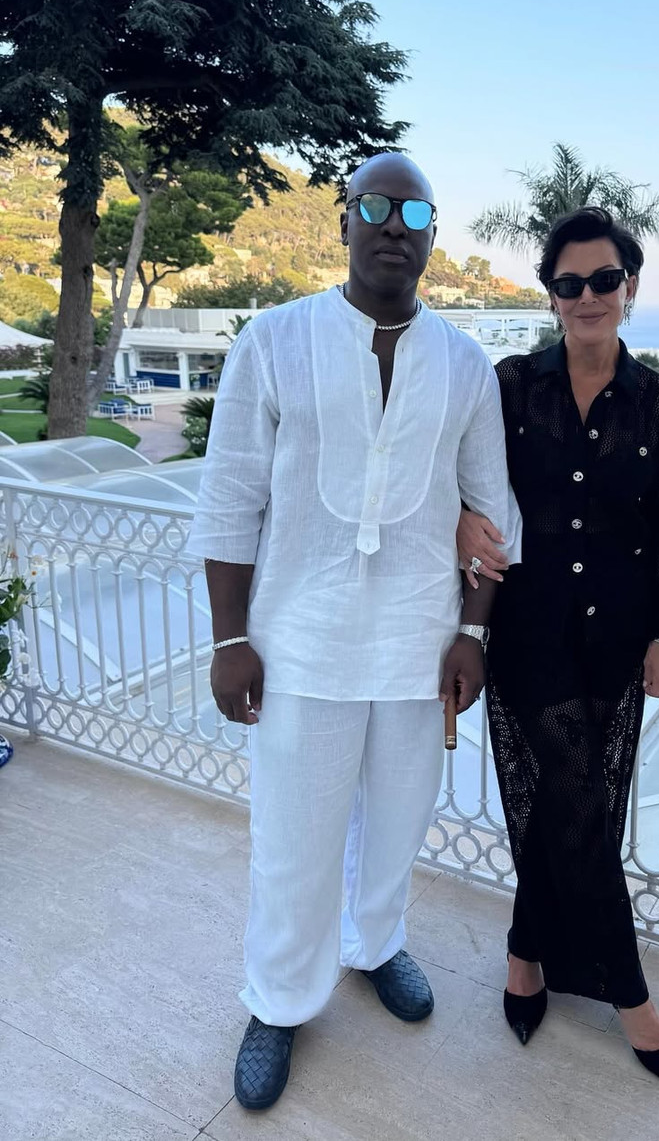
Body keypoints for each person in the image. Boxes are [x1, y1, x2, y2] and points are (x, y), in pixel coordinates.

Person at [188, 154, 517, 1111]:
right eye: (375, 206)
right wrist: (229, 640)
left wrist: (473, 632)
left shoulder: (464, 364)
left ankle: (374, 944)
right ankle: (280, 998)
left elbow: (490, 509)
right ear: (344, 222)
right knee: (294, 834)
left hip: (419, 639)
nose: (393, 227)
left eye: (414, 213)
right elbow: (231, 497)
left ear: (432, 236)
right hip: (301, 639)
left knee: (400, 818)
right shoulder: (274, 341)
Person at [458, 206, 659, 1094]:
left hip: (617, 642)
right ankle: (634, 1003)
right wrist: (460, 516)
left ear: (628, 288)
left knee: (569, 808)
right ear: (551, 294)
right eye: (570, 282)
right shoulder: (511, 385)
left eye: (604, 280)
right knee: (579, 809)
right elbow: (458, 472)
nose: (588, 295)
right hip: (529, 637)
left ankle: (525, 956)